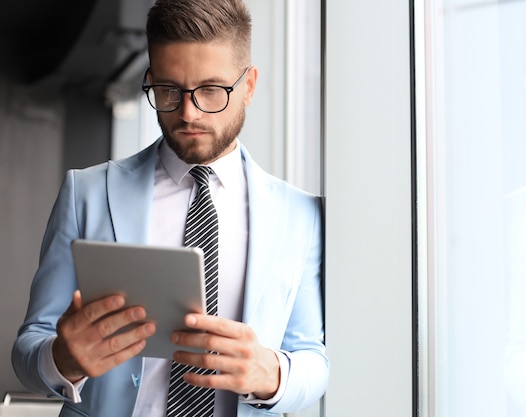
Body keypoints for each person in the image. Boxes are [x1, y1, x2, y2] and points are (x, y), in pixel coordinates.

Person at [11, 0, 328, 416]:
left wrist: (272, 373)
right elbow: (28, 347)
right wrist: (62, 359)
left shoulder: (301, 215)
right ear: (151, 80)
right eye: (168, 90)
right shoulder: (86, 192)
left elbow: (313, 358)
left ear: (248, 85)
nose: (188, 112)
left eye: (211, 90)